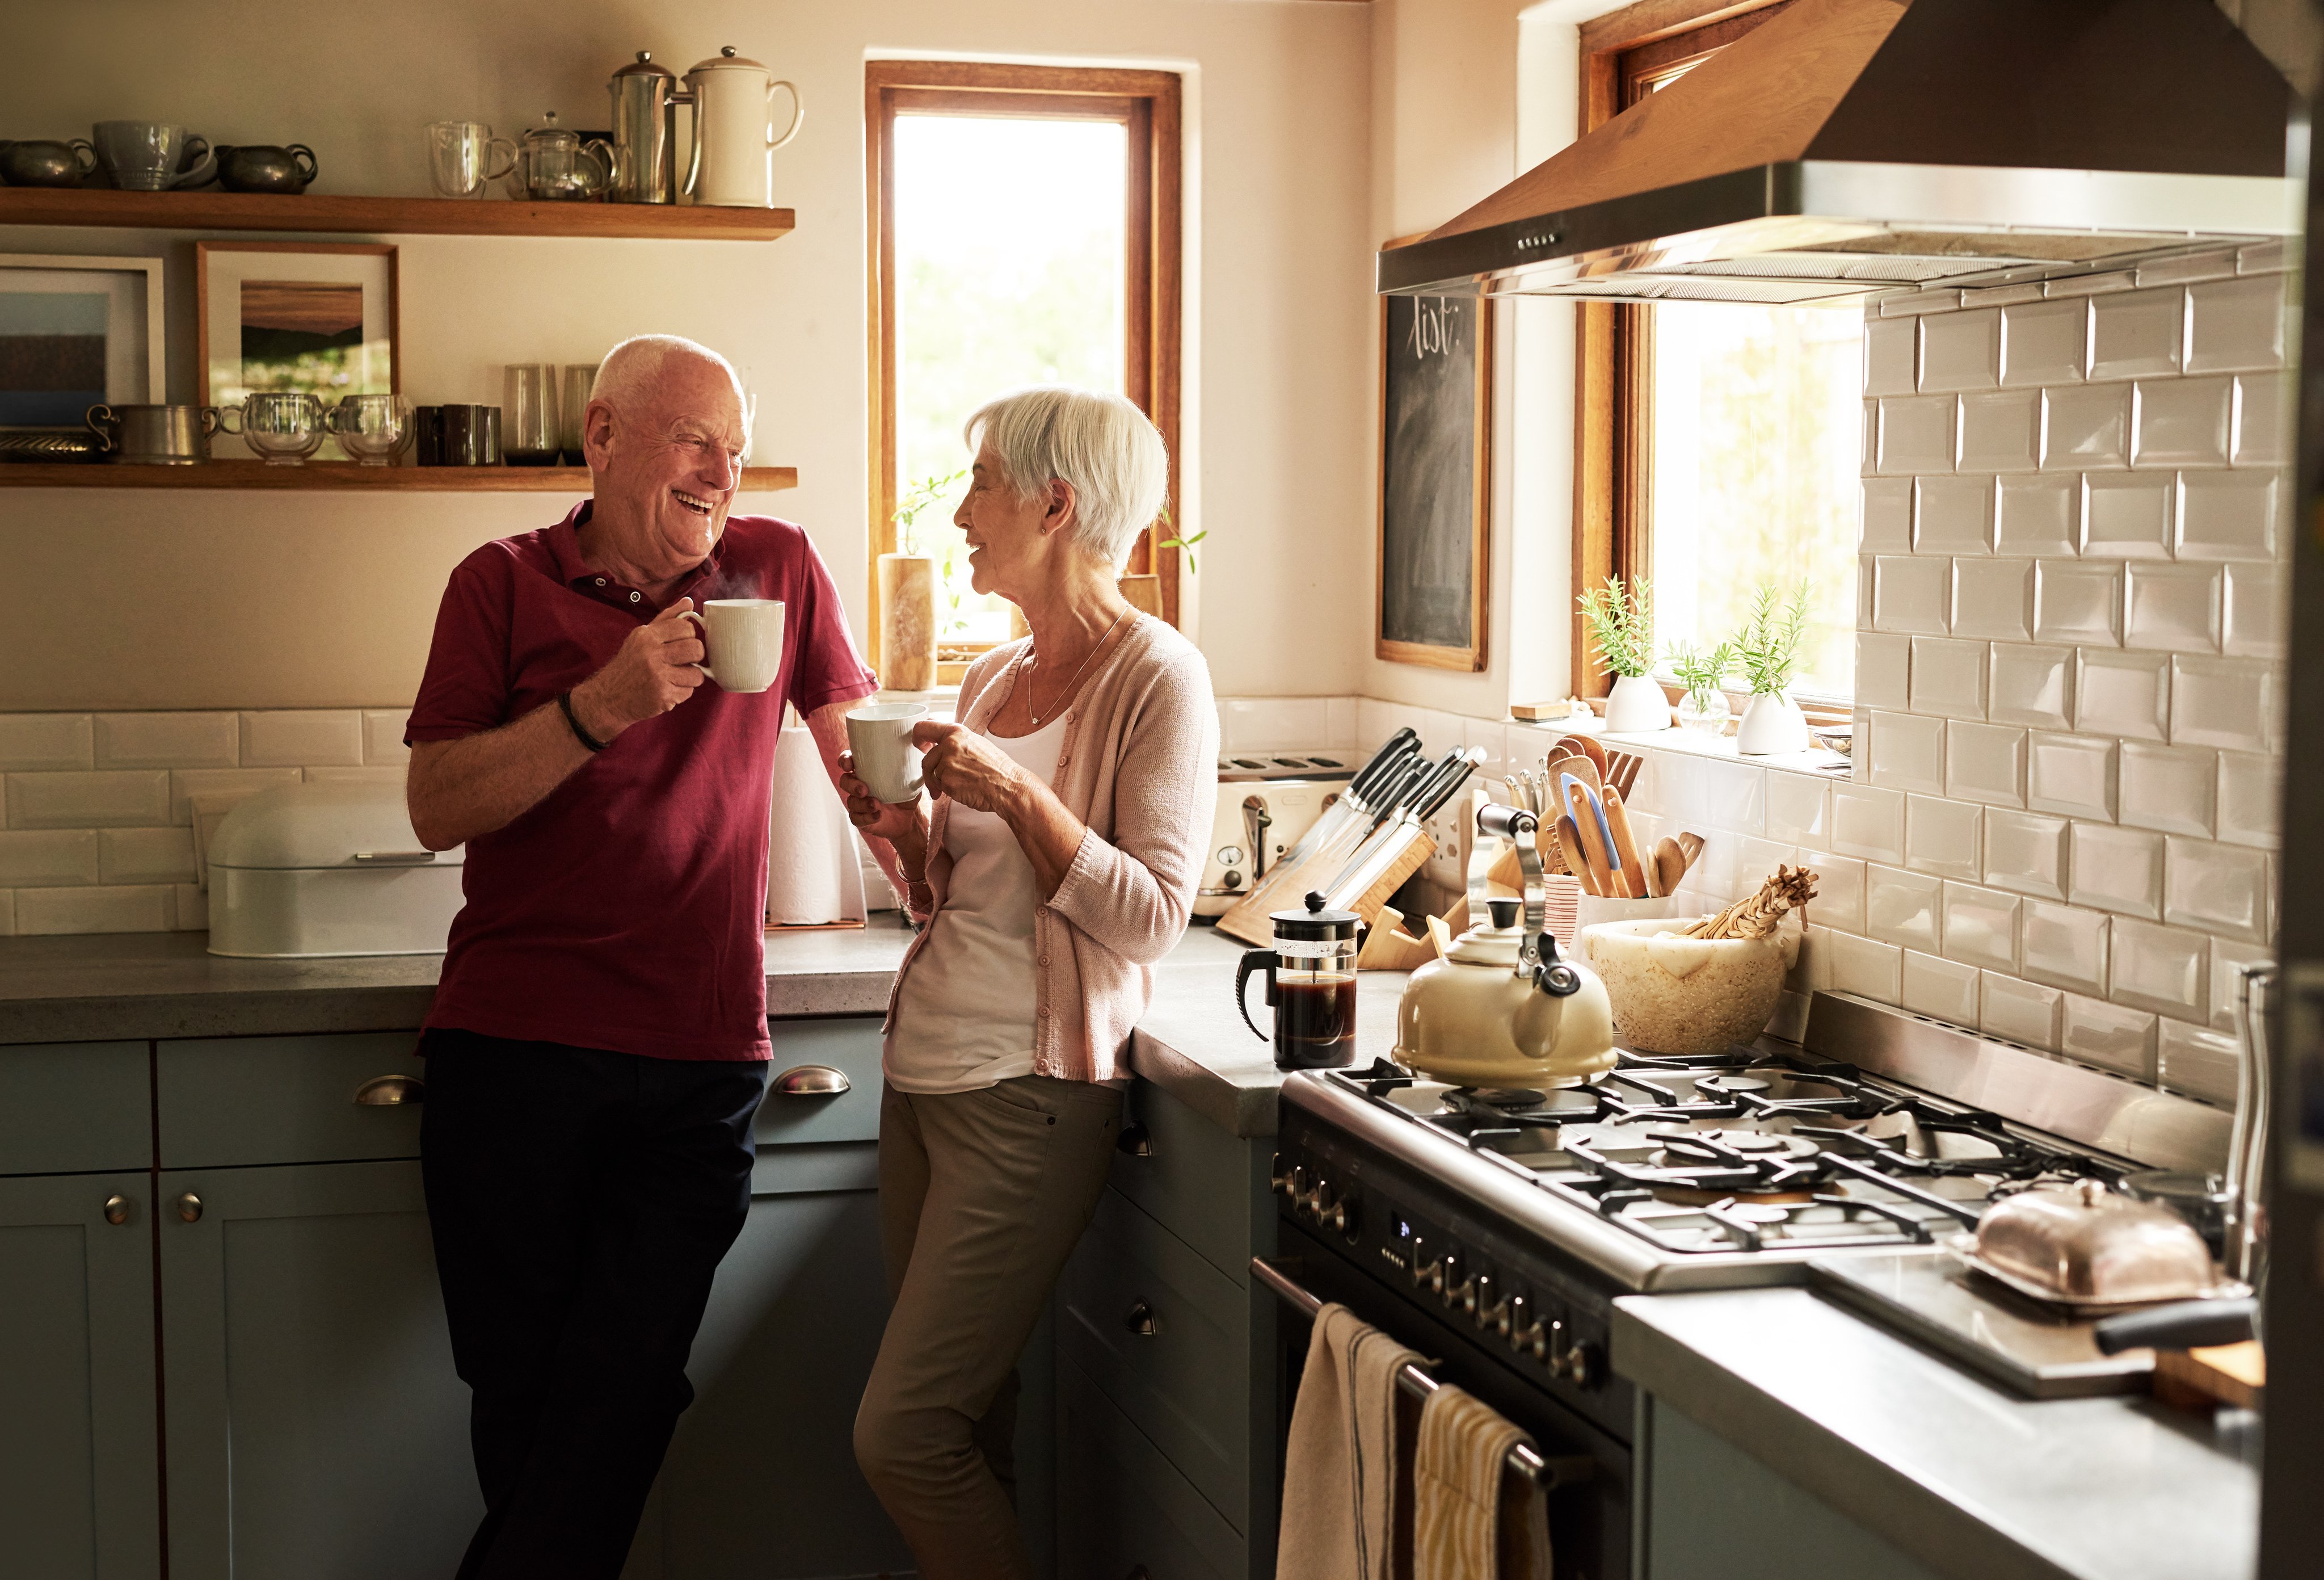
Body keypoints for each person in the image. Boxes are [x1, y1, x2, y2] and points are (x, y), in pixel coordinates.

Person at [403, 334, 892, 1579]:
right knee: (523, 1398)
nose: (722, 470)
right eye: (692, 438)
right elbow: (435, 804)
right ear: (602, 435)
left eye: (734, 445)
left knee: (623, 1389)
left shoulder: (774, 569)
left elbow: (856, 763)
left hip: (696, 1057)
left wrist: (934, 866)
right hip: (511, 1052)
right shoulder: (498, 584)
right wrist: (598, 707)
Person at [841, 385, 1218, 1580]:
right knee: (966, 1431)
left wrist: (1012, 792)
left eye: (983, 486)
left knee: (901, 1436)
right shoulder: (992, 680)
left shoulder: (1158, 677)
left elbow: (1152, 919)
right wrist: (899, 838)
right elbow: (957, 905)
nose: (961, 514)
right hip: (924, 1082)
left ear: (1055, 505)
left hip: (1027, 1097)